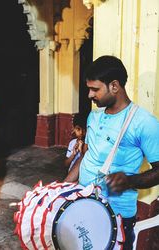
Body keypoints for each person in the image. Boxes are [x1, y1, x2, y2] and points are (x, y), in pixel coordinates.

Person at [64, 55, 159, 249]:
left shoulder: (144, 122)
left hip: (116, 213)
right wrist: (63, 186)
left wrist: (129, 181)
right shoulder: (94, 115)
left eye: (95, 89)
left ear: (114, 86)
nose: (90, 95)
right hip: (84, 203)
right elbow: (86, 156)